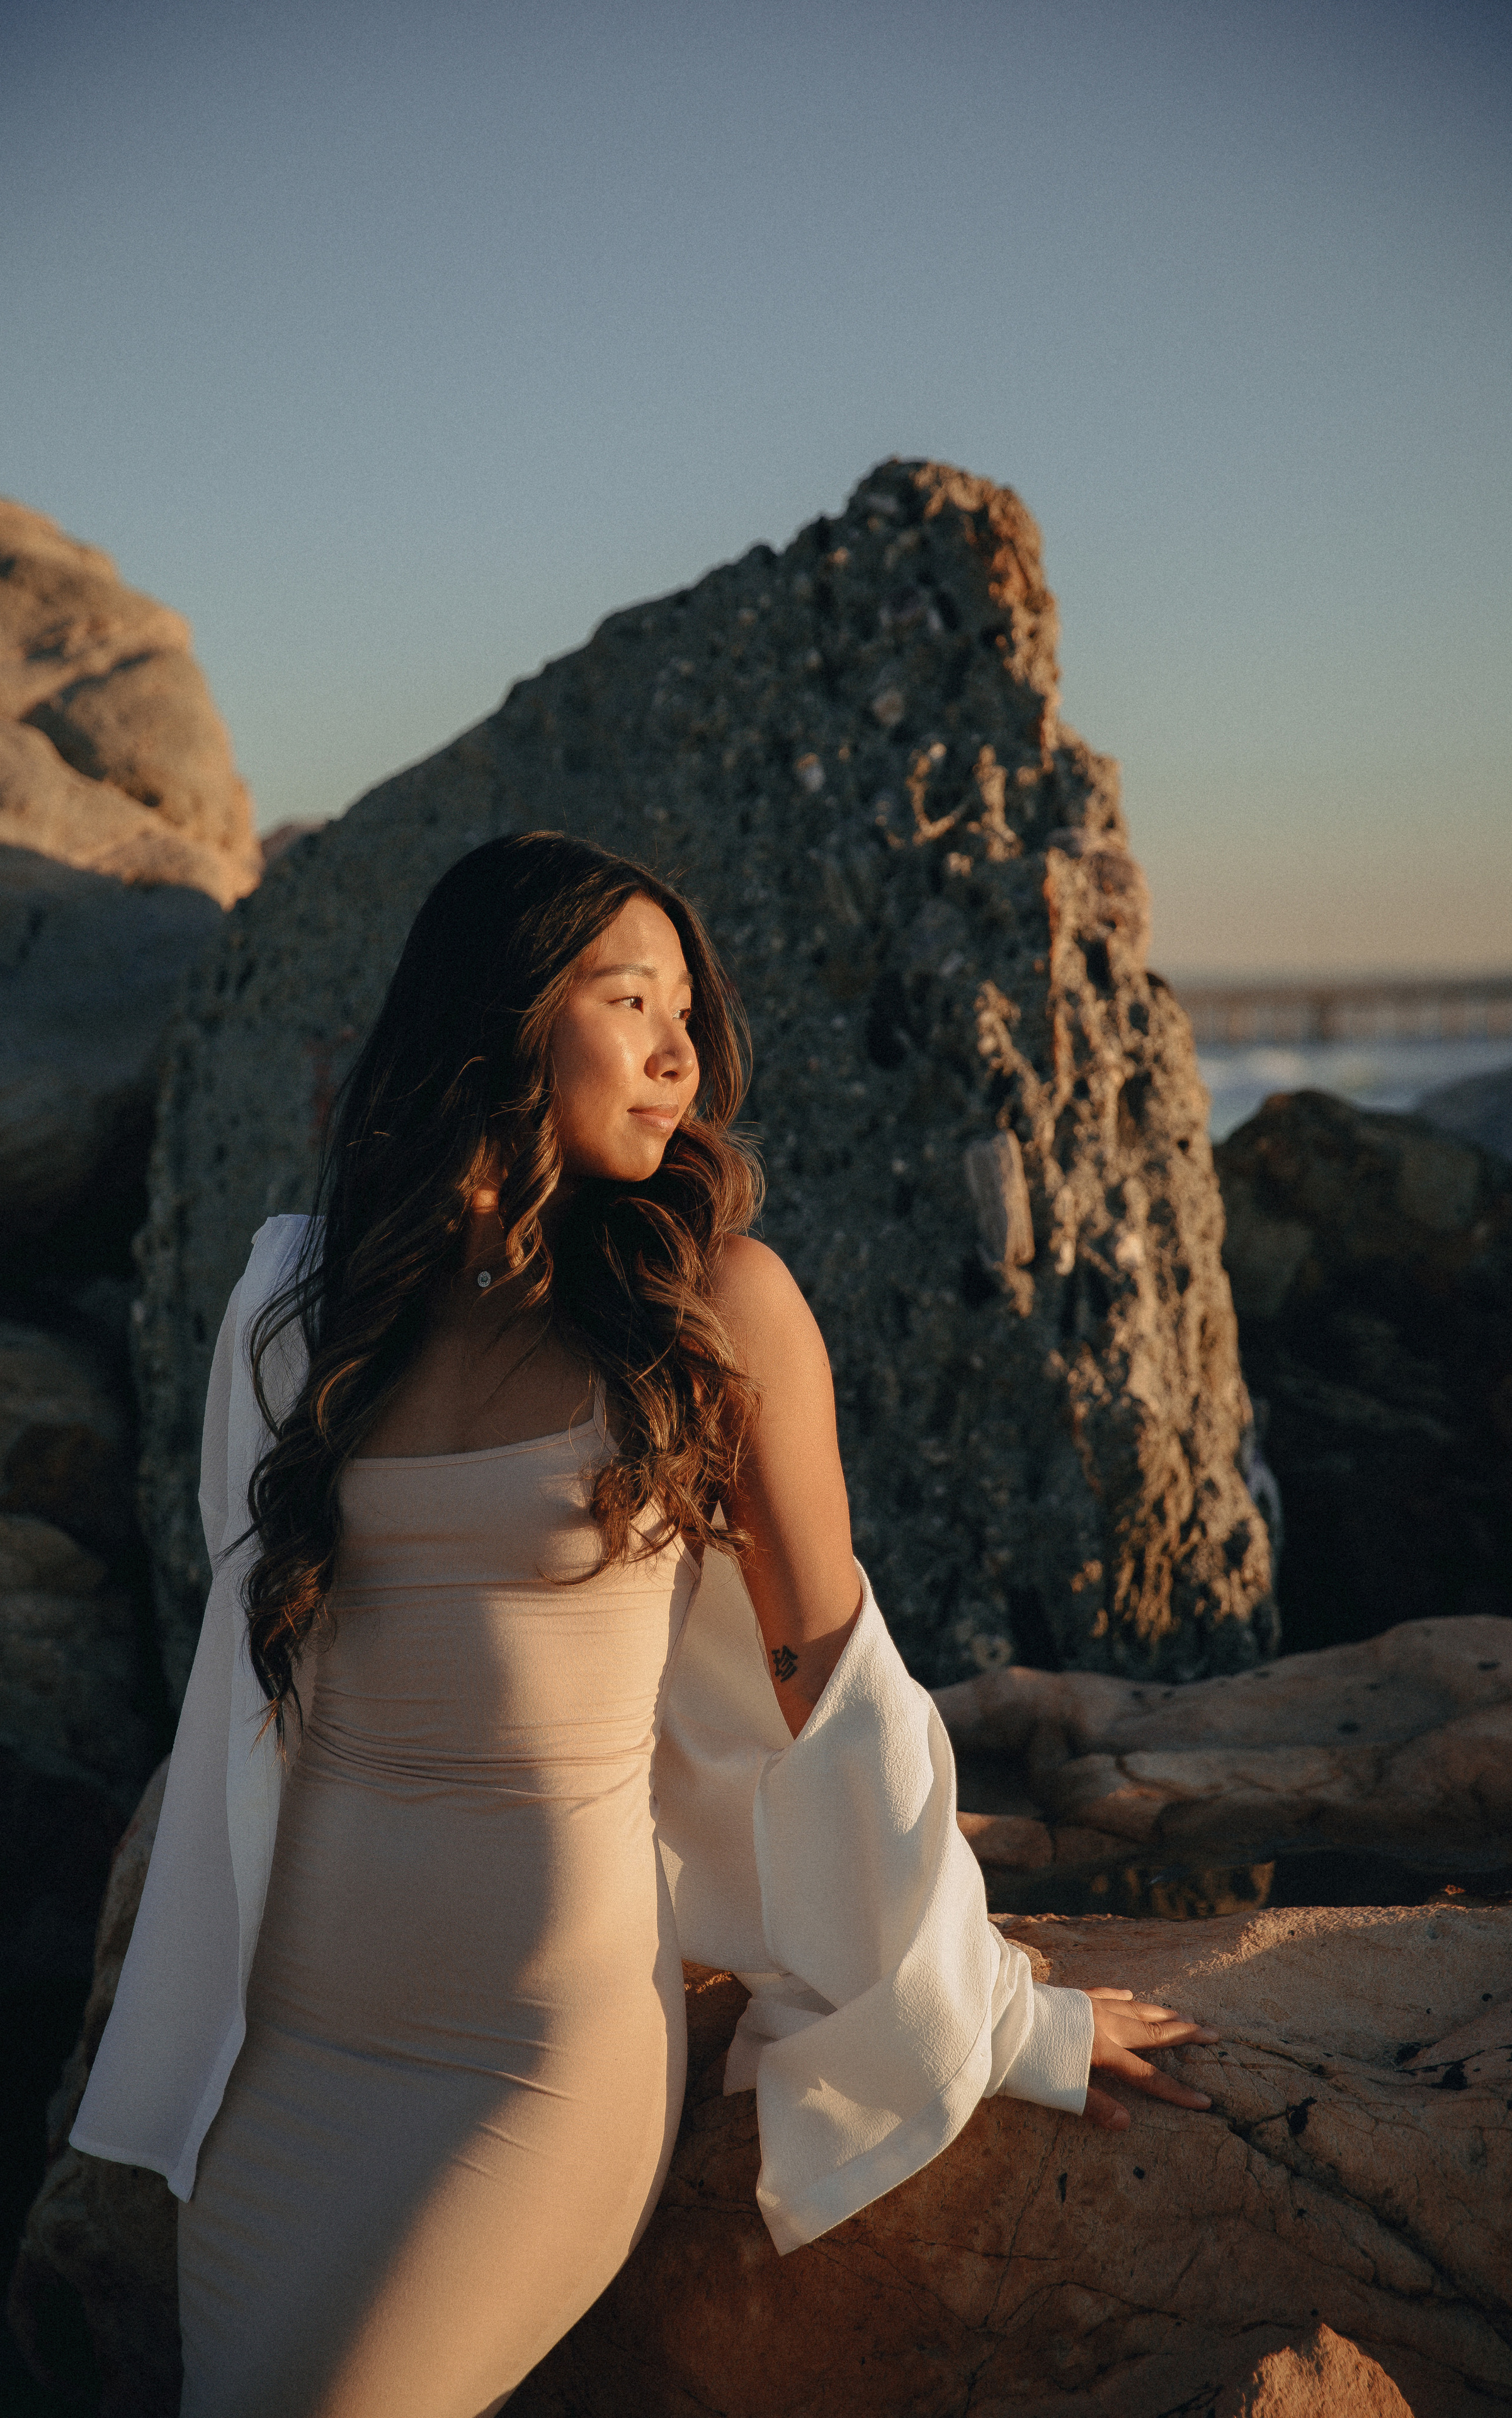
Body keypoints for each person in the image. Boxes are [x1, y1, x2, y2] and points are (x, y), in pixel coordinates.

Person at [73, 832, 1219, 2417]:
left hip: (523, 2069)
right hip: (289, 2054)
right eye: (631, 1000)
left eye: (688, 1008)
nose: (683, 1052)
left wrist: (993, 2008)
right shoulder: (302, 1311)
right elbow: (257, 1674)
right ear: (506, 1017)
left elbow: (833, 1678)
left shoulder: (713, 1308)